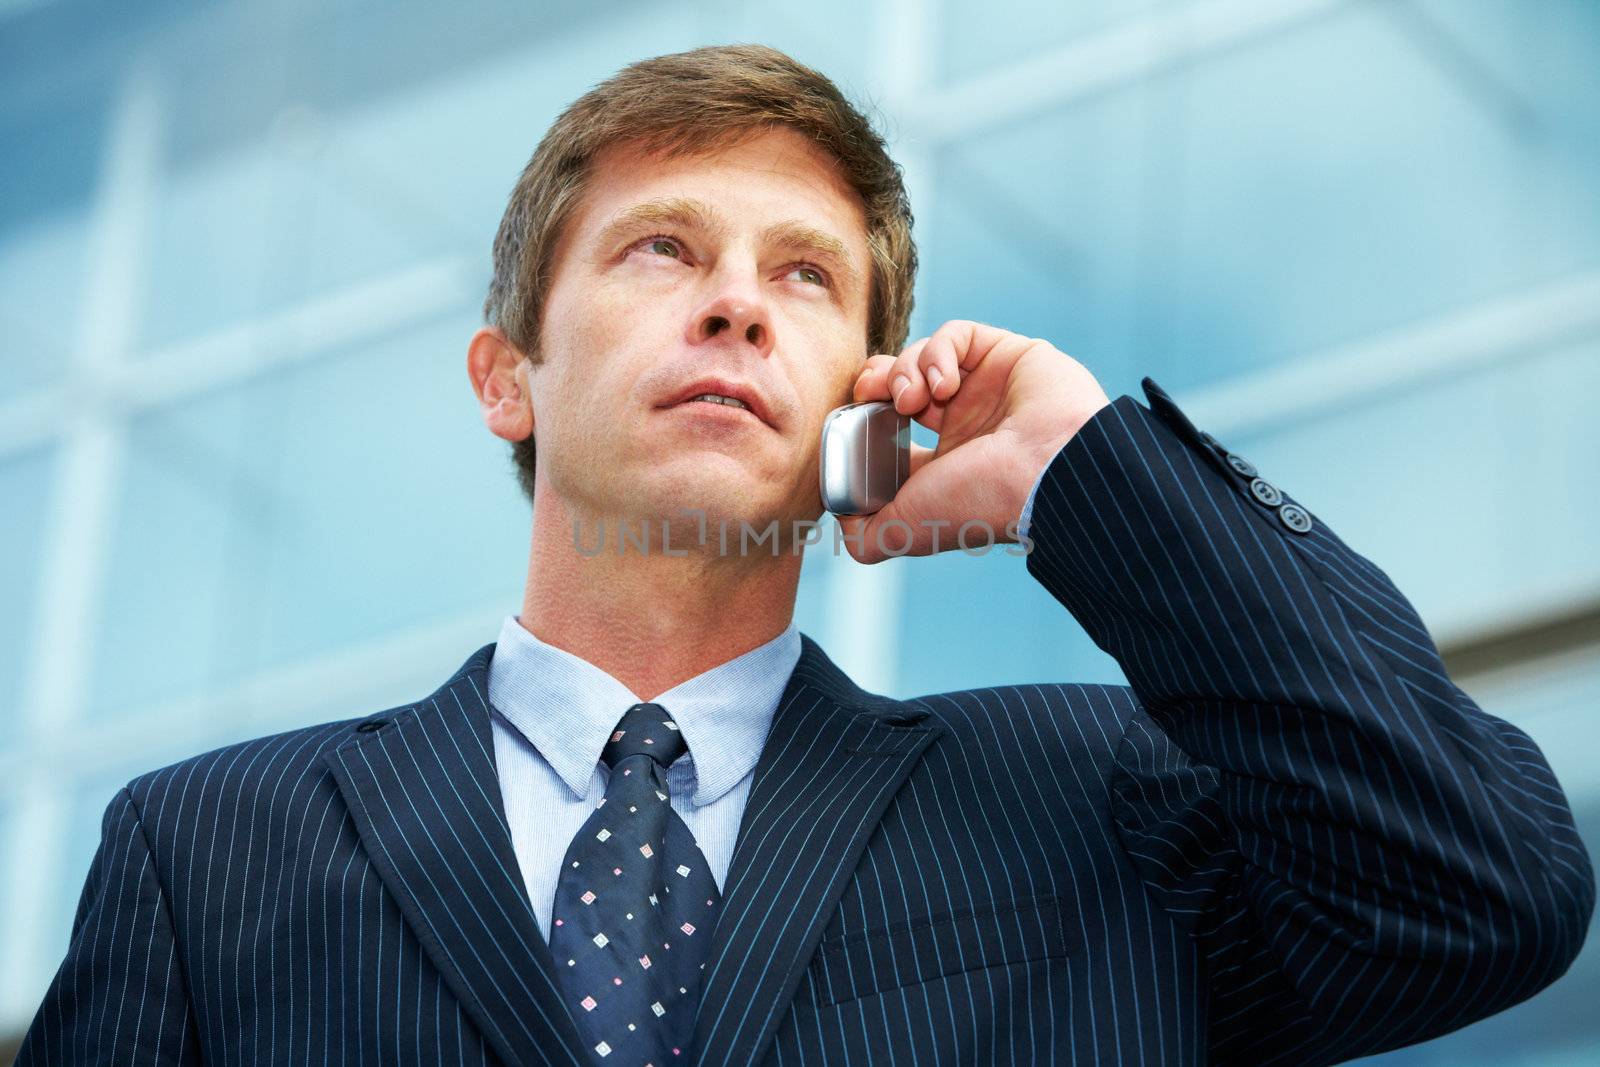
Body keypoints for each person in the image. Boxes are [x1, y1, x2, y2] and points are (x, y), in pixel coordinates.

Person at [17, 43, 1594, 1067]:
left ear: (866, 398)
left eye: (807, 277)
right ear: (509, 375)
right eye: (664, 250)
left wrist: (1083, 471)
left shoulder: (1093, 802)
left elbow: (1482, 890)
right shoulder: (205, 853)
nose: (737, 304)